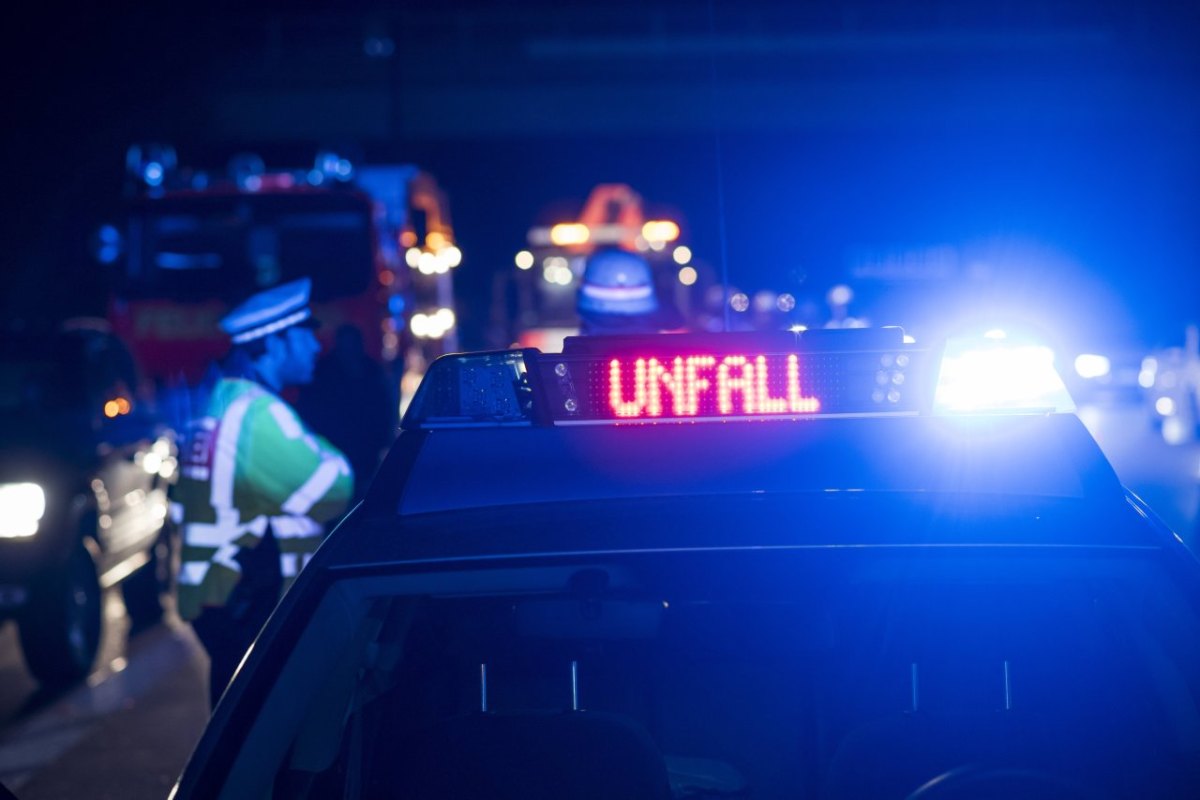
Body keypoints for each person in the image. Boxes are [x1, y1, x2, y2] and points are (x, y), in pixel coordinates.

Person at [171, 278, 353, 707]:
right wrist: (332, 454)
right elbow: (336, 488)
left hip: (225, 598)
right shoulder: (258, 414)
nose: (316, 345)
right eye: (305, 333)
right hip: (247, 604)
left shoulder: (222, 402)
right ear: (276, 342)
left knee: (234, 730)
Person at [298, 323, 396, 504]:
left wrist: (384, 437)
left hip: (366, 447)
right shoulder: (323, 372)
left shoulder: (371, 370)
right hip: (335, 446)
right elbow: (311, 408)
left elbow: (384, 406)